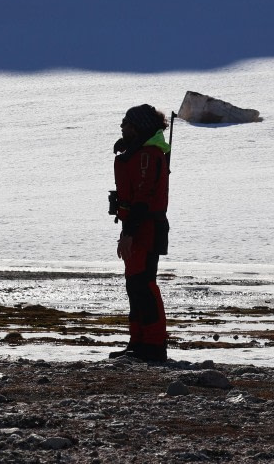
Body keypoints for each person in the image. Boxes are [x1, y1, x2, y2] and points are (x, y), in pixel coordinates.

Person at [110, 104, 171, 362]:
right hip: (136, 227)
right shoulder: (137, 152)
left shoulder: (148, 155)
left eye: (128, 124)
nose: (123, 128)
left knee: (143, 284)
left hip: (146, 227)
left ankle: (154, 345)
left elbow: (144, 198)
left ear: (140, 127)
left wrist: (130, 233)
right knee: (134, 285)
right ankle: (138, 342)